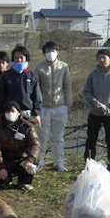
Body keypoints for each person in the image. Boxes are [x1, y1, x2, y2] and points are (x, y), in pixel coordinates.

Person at [83, 48, 110, 170]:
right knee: (91, 139)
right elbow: (87, 92)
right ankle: (89, 163)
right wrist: (93, 102)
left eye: (104, 57)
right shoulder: (93, 74)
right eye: (99, 58)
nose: (102, 60)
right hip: (95, 112)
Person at [33, 41, 73, 172]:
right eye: (48, 50)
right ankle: (40, 161)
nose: (51, 53)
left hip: (60, 106)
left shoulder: (64, 66)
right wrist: (36, 107)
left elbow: (67, 86)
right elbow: (35, 88)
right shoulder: (39, 68)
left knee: (58, 137)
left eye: (54, 50)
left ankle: (59, 162)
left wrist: (68, 103)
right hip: (44, 107)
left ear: (58, 52)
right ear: (44, 52)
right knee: (42, 136)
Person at [0, 101, 41, 191]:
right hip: (6, 160)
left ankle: (24, 182)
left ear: (18, 113)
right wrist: (1, 167)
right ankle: (6, 180)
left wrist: (30, 160)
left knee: (32, 165)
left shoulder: (27, 127)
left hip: (22, 159)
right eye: (7, 112)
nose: (10, 114)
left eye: (13, 111)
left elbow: (35, 145)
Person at [0, 45, 42, 126]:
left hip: (27, 113)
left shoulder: (32, 76)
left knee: (27, 137)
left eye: (21, 57)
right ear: (13, 59)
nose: (19, 60)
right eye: (16, 57)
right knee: (9, 137)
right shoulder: (6, 76)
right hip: (10, 112)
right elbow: (0, 96)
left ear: (26, 58)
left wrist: (36, 114)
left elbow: (37, 96)